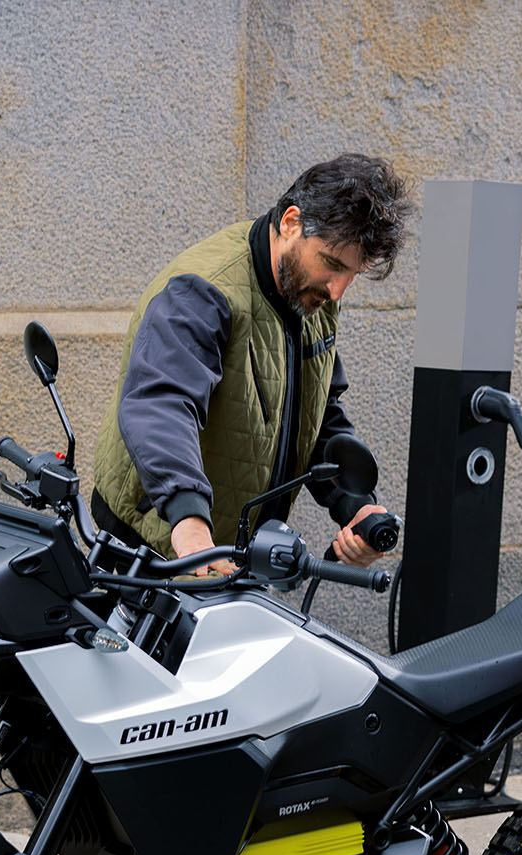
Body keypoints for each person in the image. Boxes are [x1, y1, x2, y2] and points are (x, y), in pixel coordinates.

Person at [92, 153, 413, 575]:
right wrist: (189, 522)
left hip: (234, 549)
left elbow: (319, 414)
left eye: (352, 274)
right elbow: (161, 404)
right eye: (332, 264)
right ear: (291, 223)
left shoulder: (313, 294)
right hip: (154, 544)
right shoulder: (205, 289)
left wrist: (353, 505)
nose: (337, 291)